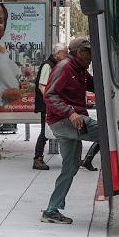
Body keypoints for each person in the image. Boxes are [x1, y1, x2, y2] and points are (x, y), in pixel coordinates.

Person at [41, 37, 99, 224]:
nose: (91, 56)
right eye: (88, 52)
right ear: (79, 53)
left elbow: (97, 85)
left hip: (70, 121)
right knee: (110, 134)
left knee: (70, 167)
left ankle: (51, 210)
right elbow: (49, 95)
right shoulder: (65, 67)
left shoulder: (81, 70)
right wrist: (70, 112)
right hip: (65, 120)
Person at [32, 42, 68, 170]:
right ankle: (37, 159)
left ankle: (68, 158)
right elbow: (42, 86)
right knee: (44, 132)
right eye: (65, 52)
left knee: (55, 131)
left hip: (51, 104)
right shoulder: (48, 66)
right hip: (47, 105)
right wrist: (50, 101)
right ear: (58, 54)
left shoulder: (56, 65)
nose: (67, 55)